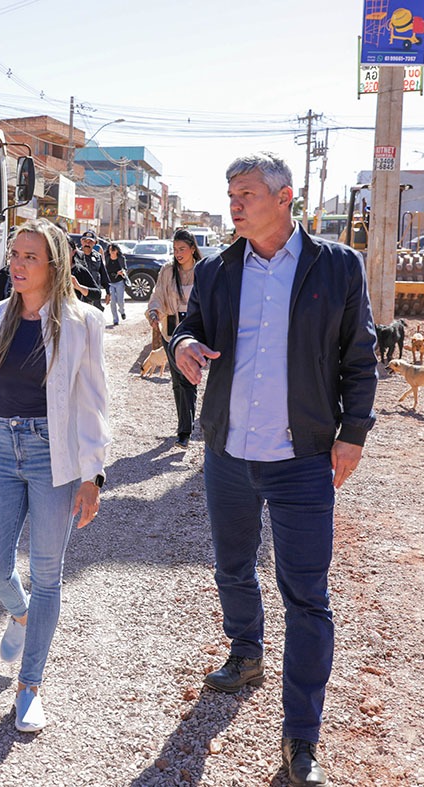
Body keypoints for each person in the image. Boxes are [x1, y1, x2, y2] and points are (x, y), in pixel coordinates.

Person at [172, 152, 377, 786]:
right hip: (229, 454)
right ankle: (245, 652)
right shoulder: (216, 269)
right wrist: (182, 345)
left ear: (285, 197)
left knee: (307, 598)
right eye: (230, 194)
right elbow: (192, 325)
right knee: (232, 568)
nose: (235, 203)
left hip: (303, 458)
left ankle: (301, 740)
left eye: (247, 193)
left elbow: (359, 354)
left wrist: (353, 436)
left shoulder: (336, 265)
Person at [0, 218, 110, 733]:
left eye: (28, 257)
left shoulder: (82, 321)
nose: (15, 263)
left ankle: (30, 686)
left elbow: (92, 400)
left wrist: (92, 474)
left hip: (52, 455)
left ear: (53, 265)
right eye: (14, 254)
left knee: (47, 574)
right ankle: (18, 614)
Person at [148, 228, 203, 449]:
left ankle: (185, 431)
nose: (178, 253)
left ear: (192, 249)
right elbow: (158, 295)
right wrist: (154, 312)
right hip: (170, 331)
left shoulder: (203, 271)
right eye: (175, 249)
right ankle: (184, 427)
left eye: (182, 249)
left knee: (188, 380)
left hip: (194, 332)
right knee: (178, 382)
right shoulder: (167, 271)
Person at [71, 229, 108, 310]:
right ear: (81, 241)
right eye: (85, 240)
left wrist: (108, 291)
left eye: (90, 241)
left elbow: (103, 274)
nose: (87, 243)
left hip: (93, 293)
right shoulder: (75, 255)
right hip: (80, 294)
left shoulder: (97, 256)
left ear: (94, 243)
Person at [104, 243, 128, 325]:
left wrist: (122, 272)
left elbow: (125, 269)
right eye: (111, 250)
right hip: (110, 282)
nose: (112, 252)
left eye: (114, 250)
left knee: (120, 300)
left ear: (117, 250)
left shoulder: (121, 258)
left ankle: (122, 311)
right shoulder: (107, 258)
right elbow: (104, 269)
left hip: (119, 282)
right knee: (113, 301)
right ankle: (115, 319)